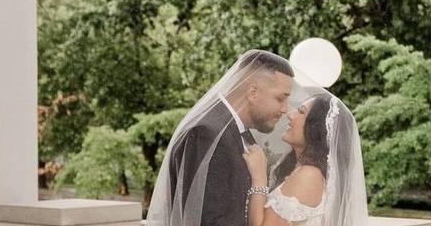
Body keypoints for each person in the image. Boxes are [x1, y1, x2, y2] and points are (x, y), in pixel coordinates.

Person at [147, 50, 295, 226]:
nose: (285, 109)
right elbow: (206, 219)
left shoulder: (241, 135)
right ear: (253, 92)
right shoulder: (206, 134)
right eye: (280, 98)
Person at [241, 93, 369, 226]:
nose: (290, 115)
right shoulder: (300, 169)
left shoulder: (309, 175)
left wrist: (259, 179)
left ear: (317, 128)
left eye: (301, 112)